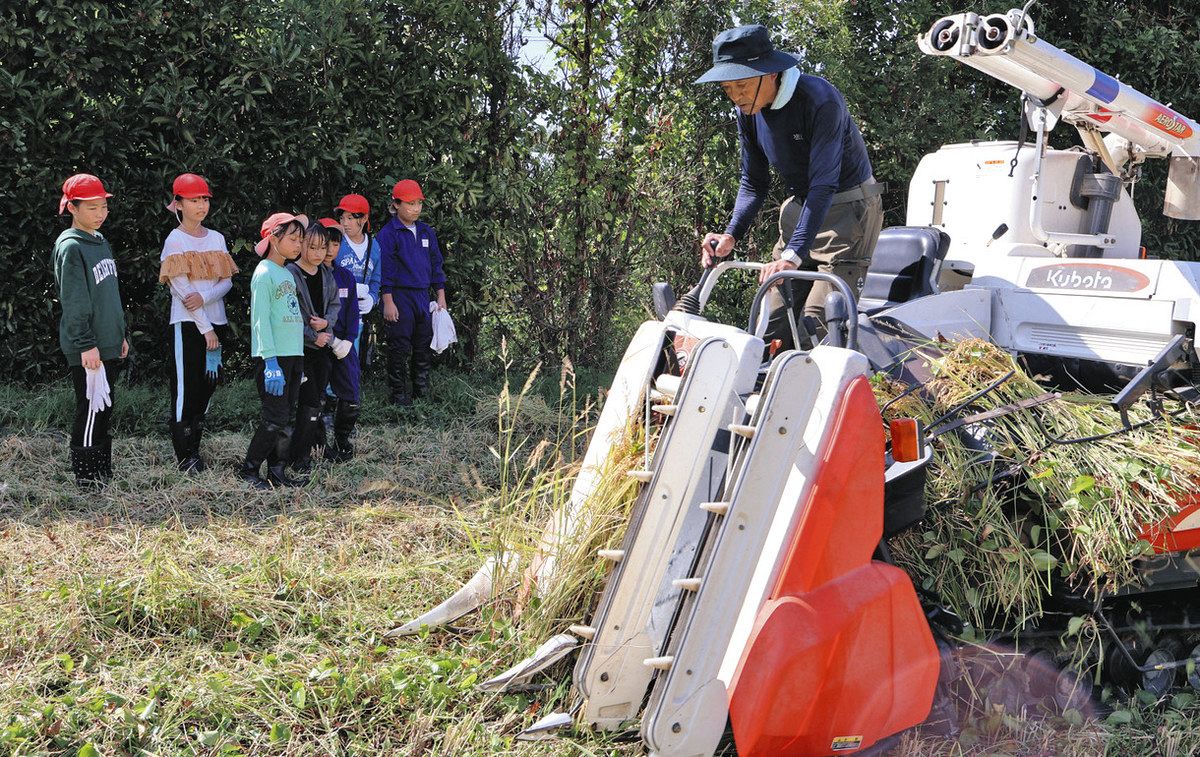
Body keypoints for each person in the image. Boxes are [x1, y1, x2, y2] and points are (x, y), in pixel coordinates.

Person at [697, 24, 883, 347]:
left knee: (819, 322)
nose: (736, 96)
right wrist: (730, 235)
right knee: (769, 321)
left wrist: (793, 254)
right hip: (802, 212)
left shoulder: (820, 100)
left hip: (848, 214)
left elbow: (824, 184)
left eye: (742, 84)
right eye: (728, 88)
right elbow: (753, 183)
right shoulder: (748, 112)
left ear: (770, 74)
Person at [158, 173, 238, 472]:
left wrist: (205, 300)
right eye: (194, 200)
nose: (201, 205)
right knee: (185, 387)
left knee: (208, 383)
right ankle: (185, 457)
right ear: (178, 204)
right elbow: (180, 289)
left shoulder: (216, 238)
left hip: (214, 321)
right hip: (188, 325)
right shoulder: (175, 240)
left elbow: (226, 282)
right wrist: (204, 327)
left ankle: (196, 448)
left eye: (204, 199)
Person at [53, 174, 129, 488]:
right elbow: (75, 301)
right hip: (88, 346)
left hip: (108, 341)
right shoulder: (71, 246)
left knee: (105, 406)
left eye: (103, 206)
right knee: (90, 407)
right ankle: (86, 478)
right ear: (73, 207)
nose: (100, 213)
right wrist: (86, 344)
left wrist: (120, 334)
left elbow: (109, 295)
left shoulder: (100, 241)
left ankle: (101, 471)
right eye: (93, 207)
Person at [240, 212, 308, 489]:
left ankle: (277, 471)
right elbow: (260, 319)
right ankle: (249, 470)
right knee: (274, 417)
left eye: (300, 240)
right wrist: (270, 361)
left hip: (294, 355)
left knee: (287, 417)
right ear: (273, 238)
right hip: (274, 358)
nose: (298, 245)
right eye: (293, 239)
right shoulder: (264, 272)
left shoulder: (287, 274)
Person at [377, 179, 447, 406]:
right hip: (399, 296)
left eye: (418, 203)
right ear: (396, 204)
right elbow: (384, 269)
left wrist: (440, 295)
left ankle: (421, 393)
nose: (415, 208)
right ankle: (398, 397)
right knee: (399, 346)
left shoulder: (427, 232)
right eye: (409, 204)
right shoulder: (389, 234)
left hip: (422, 296)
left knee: (423, 344)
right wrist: (388, 300)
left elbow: (436, 264)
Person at [286, 221, 347, 471]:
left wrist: (326, 323)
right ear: (301, 245)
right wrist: (313, 335)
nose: (318, 253)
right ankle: (298, 457)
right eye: (312, 247)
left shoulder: (325, 274)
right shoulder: (290, 273)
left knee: (318, 399)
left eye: (323, 247)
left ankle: (317, 446)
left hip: (322, 347)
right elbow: (288, 317)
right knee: (307, 401)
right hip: (301, 349)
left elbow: (334, 305)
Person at [319, 218, 362, 461]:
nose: (330, 249)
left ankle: (343, 439)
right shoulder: (311, 275)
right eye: (326, 243)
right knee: (316, 395)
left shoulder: (345, 276)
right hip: (320, 343)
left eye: (335, 244)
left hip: (344, 345)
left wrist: (348, 340)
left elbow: (353, 312)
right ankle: (320, 444)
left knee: (350, 391)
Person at [332, 193, 381, 372]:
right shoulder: (336, 242)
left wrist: (372, 298)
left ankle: (348, 396)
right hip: (335, 312)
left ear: (364, 218)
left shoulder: (374, 246)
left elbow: (376, 278)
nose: (345, 223)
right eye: (342, 217)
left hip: (357, 315)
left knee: (351, 359)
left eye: (351, 218)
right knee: (333, 357)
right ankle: (329, 397)